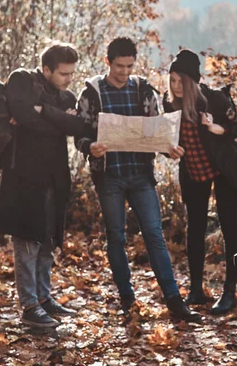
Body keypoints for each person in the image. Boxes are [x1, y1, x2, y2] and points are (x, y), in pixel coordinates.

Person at [74, 37, 200, 322]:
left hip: (141, 174)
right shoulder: (92, 93)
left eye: (130, 66)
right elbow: (78, 134)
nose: (124, 72)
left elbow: (157, 131)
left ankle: (174, 301)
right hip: (109, 176)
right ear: (108, 62)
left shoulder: (143, 89)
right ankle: (127, 298)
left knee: (155, 234)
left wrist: (169, 148)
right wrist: (89, 147)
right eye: (119, 66)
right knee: (116, 236)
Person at [0, 43, 90, 328]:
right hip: (24, 177)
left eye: (71, 74)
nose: (68, 79)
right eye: (63, 74)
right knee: (28, 241)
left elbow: (78, 127)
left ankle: (44, 298)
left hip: (55, 178)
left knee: (47, 240)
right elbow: (24, 116)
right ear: (46, 69)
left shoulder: (67, 95)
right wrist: (57, 119)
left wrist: (44, 111)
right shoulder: (21, 79)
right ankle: (30, 306)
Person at [162, 49, 237, 314]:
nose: (176, 86)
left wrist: (215, 128)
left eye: (181, 81)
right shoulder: (170, 104)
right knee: (195, 229)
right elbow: (168, 141)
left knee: (229, 227)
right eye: (172, 80)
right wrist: (170, 149)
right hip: (194, 171)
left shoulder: (215, 99)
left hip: (224, 169)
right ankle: (197, 289)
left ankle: (229, 291)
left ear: (192, 81)